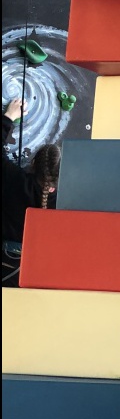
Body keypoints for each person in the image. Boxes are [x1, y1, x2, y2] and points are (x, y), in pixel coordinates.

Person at [2, 97, 61, 286]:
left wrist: (9, 117)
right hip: (35, 268)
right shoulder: (66, 201)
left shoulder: (15, 180)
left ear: (33, 163)